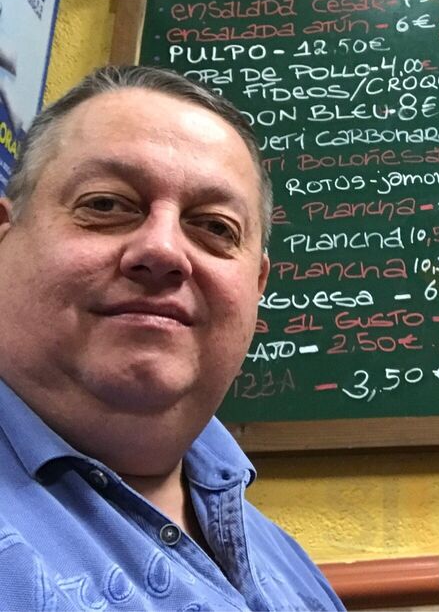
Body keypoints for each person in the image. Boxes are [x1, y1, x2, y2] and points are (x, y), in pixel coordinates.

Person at [0, 66, 345, 611]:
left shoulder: (287, 565)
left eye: (215, 227)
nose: (162, 250)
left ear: (256, 287)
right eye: (106, 204)